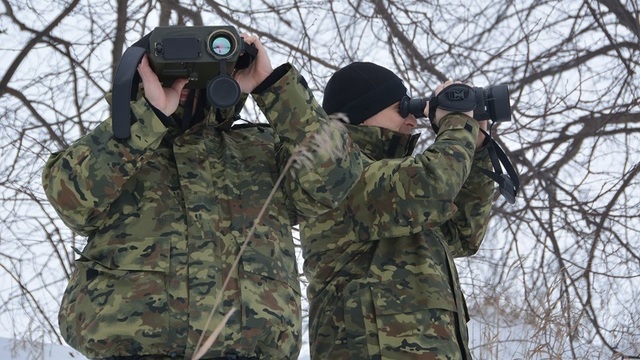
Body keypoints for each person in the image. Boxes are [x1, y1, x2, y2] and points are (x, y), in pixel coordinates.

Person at [42, 32, 362, 360]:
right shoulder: (121, 147)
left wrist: (272, 85)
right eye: (171, 65)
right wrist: (147, 117)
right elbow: (70, 197)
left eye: (202, 66)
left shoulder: (262, 151)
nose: (187, 80)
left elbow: (335, 181)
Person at [300, 62, 496, 359]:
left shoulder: (399, 196)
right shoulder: (338, 177)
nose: (413, 120)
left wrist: (478, 148)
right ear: (363, 117)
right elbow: (433, 184)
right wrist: (457, 122)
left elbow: (462, 234)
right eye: (400, 108)